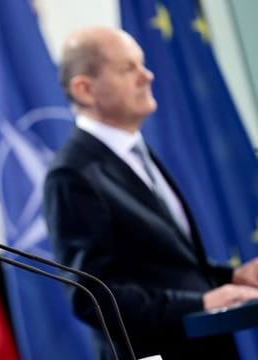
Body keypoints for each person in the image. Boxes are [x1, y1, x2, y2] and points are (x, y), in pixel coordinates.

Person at [43, 26, 258, 360]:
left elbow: (158, 264)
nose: (147, 75)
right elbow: (92, 297)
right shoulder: (72, 175)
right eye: (128, 68)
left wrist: (229, 277)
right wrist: (201, 303)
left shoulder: (135, 150)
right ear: (85, 89)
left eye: (141, 64)